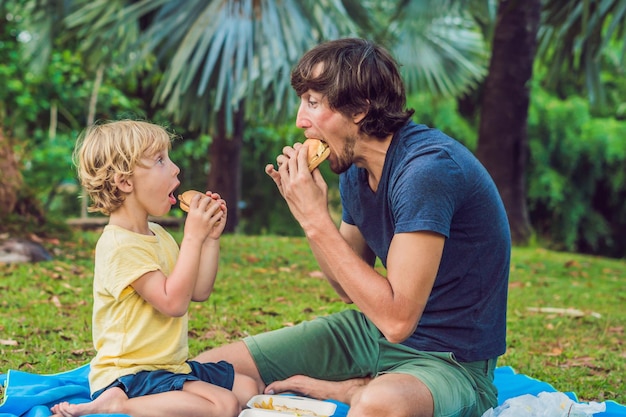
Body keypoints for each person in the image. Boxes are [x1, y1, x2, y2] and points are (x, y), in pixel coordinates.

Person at [195, 37, 511, 417]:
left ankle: (359, 390)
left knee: (379, 404)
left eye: (313, 102)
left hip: (449, 360)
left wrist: (315, 221)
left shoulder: (426, 171)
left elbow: (397, 320)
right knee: (211, 369)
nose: (300, 120)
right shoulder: (355, 169)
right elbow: (346, 289)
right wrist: (308, 215)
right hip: (368, 334)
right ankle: (357, 386)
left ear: (360, 109)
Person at [50, 120, 257, 417]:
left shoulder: (158, 235)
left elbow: (197, 291)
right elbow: (173, 303)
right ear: (125, 181)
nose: (175, 169)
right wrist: (193, 236)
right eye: (160, 160)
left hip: (167, 368)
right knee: (224, 406)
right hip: (131, 375)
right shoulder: (120, 246)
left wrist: (209, 239)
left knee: (247, 388)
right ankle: (119, 403)